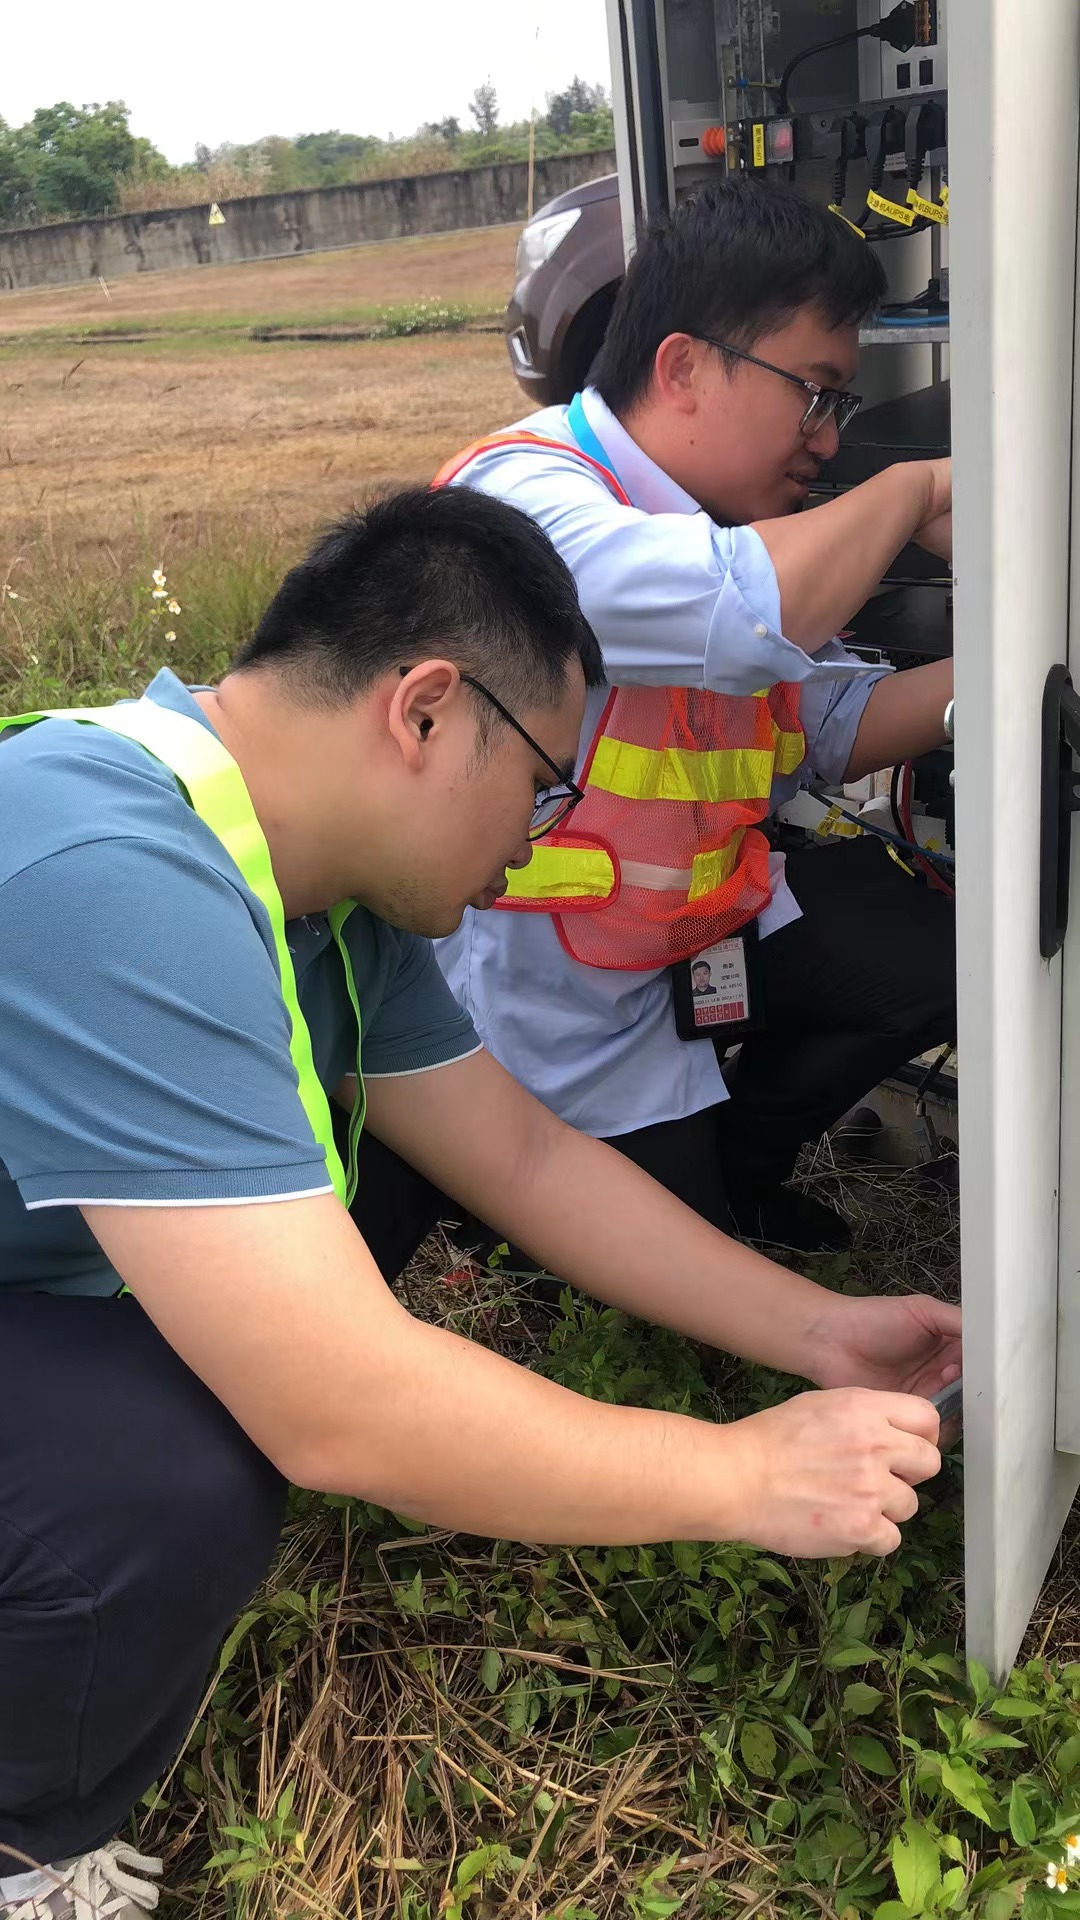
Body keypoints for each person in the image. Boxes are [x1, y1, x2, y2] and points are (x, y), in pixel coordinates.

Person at [0, 488, 960, 1920]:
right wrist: (746, 1477)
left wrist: (823, 1335)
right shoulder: (113, 878)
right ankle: (21, 1839)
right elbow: (338, 1408)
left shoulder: (312, 885)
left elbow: (522, 1158)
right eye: (546, 783)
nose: (542, 833)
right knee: (173, 1473)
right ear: (427, 712)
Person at [434, 177, 956, 1256]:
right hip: (557, 1001)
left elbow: (825, 723)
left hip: (689, 937)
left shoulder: (707, 525)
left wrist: (1020, 666)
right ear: (680, 368)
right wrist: (909, 491)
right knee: (650, 1278)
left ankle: (739, 1178)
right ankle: (533, 1213)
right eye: (813, 393)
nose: (825, 440)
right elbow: (742, 615)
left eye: (840, 404)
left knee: (929, 966)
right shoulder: (529, 504)